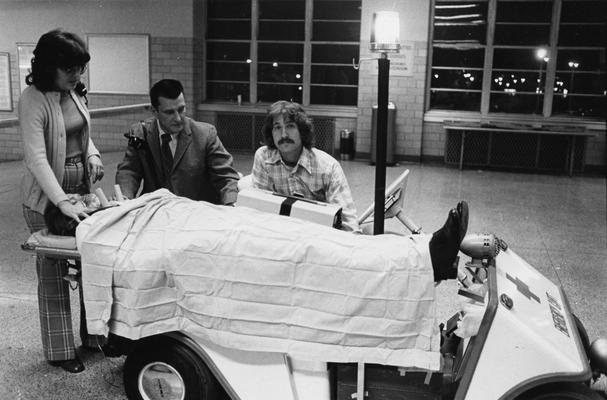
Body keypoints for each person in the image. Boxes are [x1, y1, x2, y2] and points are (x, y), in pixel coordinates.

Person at [19, 29, 105, 373]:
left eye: (80, 69)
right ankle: (59, 351)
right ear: (49, 66)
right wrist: (61, 201)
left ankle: (94, 338)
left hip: (80, 188)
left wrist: (94, 154)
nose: (76, 75)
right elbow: (36, 157)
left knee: (91, 265)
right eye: (69, 68)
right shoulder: (33, 98)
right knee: (54, 275)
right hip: (46, 197)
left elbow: (85, 133)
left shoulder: (75, 91)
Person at [116, 79, 239, 204]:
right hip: (156, 210)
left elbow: (227, 177)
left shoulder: (206, 134)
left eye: (181, 109)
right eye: (169, 112)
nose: (178, 118)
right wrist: (124, 198)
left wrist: (230, 204)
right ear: (154, 111)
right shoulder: (140, 133)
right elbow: (129, 171)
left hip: (196, 212)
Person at [251, 101, 360, 232]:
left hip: (318, 236)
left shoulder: (328, 167)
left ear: (302, 131)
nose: (284, 135)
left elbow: (348, 224)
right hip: (278, 234)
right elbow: (257, 211)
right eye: (277, 127)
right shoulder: (263, 157)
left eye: (290, 126)